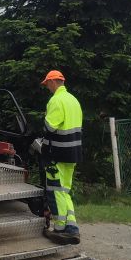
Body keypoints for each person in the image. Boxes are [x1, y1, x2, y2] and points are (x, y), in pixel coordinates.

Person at [40, 70, 83, 245]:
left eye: (47, 84)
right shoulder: (73, 100)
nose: (47, 88)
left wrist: (45, 117)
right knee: (65, 190)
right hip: (73, 153)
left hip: (57, 153)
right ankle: (72, 227)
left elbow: (50, 127)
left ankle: (59, 228)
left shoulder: (56, 100)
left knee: (55, 190)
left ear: (53, 82)